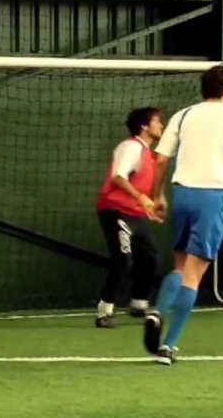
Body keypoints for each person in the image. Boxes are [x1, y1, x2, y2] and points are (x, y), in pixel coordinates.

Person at [143, 65, 223, 365]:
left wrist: (158, 195)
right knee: (195, 275)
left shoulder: (183, 115)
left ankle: (157, 311)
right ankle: (168, 346)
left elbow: (160, 160)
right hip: (213, 197)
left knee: (181, 266)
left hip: (183, 194)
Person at [94, 107, 165, 328]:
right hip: (115, 211)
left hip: (134, 214)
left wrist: (152, 205)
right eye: (157, 121)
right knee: (123, 260)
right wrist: (141, 197)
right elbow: (118, 176)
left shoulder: (149, 155)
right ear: (144, 126)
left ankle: (138, 303)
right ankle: (104, 312)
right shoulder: (132, 147)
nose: (161, 125)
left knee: (150, 256)